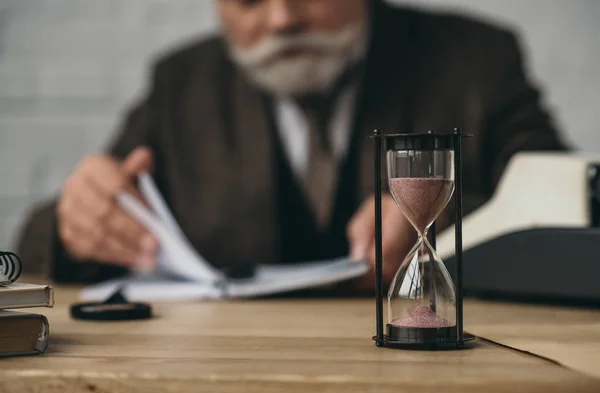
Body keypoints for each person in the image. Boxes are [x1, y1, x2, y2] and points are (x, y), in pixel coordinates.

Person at [16, 0, 567, 290]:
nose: (281, 18)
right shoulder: (181, 84)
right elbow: (46, 235)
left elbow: (570, 209)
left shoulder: (475, 60)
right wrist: (76, 224)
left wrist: (435, 222)